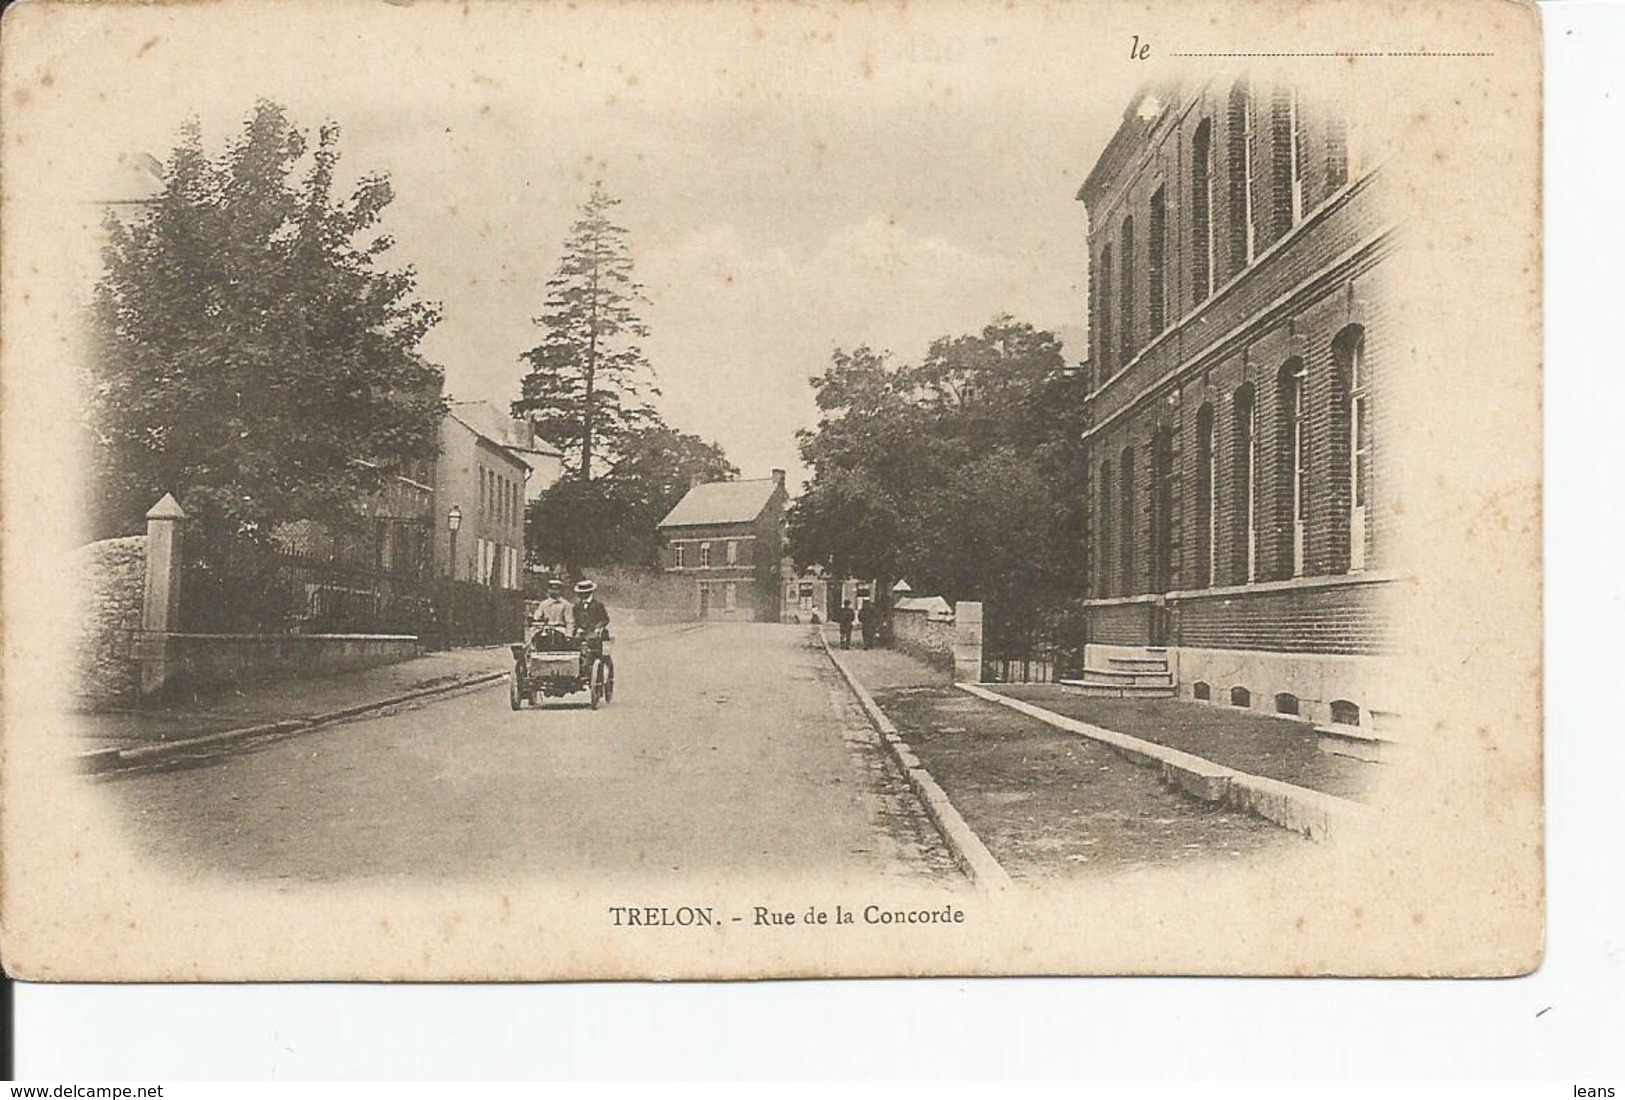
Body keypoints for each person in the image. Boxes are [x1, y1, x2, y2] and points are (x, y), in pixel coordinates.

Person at [529, 578, 575, 650]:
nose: (554, 591)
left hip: (560, 628)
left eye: (557, 589)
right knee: (539, 637)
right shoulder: (543, 604)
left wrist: (569, 635)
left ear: (560, 590)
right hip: (546, 628)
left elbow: (570, 621)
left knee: (559, 638)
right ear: (548, 590)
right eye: (552, 589)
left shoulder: (566, 604)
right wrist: (535, 617)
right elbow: (537, 617)